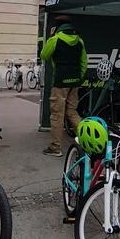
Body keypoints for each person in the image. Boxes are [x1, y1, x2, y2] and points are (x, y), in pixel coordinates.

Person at [40, 16, 87, 156]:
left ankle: (55, 148)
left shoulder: (55, 39)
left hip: (60, 82)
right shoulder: (79, 40)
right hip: (75, 82)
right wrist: (78, 78)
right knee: (72, 112)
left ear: (57, 27)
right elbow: (84, 63)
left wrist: (50, 37)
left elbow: (44, 55)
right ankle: (88, 141)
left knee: (57, 115)